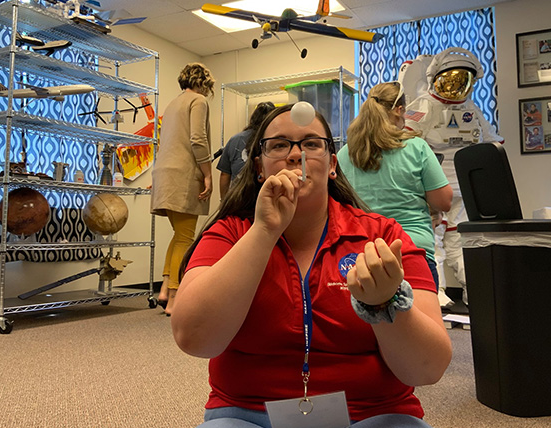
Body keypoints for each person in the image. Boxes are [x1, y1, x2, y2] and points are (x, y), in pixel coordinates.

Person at [171, 104, 452, 428]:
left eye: (310, 143)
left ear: (332, 164)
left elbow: (428, 368)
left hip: (372, 414)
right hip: (248, 416)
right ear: (259, 166)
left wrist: (385, 303)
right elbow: (193, 337)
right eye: (278, 145)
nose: (295, 155)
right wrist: (263, 232)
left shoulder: (383, 236)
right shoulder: (230, 233)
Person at [402, 47, 503, 307]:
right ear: (435, 78)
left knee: (461, 238)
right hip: (431, 187)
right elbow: (404, 143)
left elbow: (494, 143)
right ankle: (435, 291)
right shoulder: (422, 106)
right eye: (451, 79)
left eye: (462, 80)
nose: (456, 86)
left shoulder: (472, 110)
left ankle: (473, 291)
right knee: (432, 238)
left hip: (464, 186)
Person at [337, 82, 452, 291]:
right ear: (399, 110)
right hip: (412, 251)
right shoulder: (416, 146)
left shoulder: (345, 153)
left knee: (372, 323)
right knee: (421, 322)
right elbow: (444, 201)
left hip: (365, 257)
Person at [151, 62, 215, 316]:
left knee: (179, 235)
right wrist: (208, 173)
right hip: (184, 174)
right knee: (186, 237)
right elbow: (198, 139)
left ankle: (165, 288)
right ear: (202, 83)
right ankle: (175, 297)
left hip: (164, 173)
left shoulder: (171, 104)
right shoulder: (198, 101)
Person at [217, 101, 275, 199]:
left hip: (239, 199)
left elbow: (225, 174)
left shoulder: (235, 140)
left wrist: (224, 202)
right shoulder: (275, 140)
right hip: (268, 197)